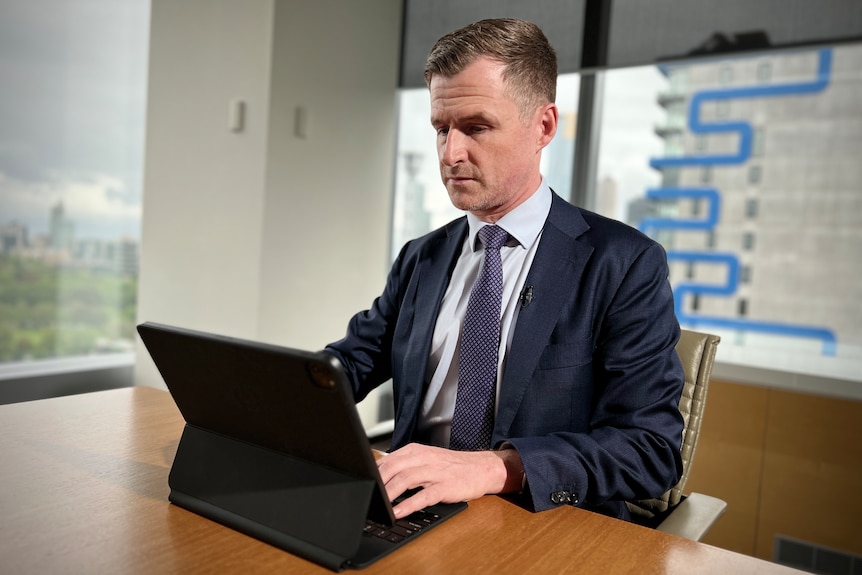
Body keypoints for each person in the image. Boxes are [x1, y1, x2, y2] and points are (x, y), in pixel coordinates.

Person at [325, 18, 685, 522]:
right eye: (441, 129)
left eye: (476, 128)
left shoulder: (624, 263)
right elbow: (352, 362)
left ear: (544, 127)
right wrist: (274, 395)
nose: (451, 154)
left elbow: (650, 451)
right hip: (409, 511)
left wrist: (496, 468)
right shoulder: (421, 257)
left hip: (539, 523)